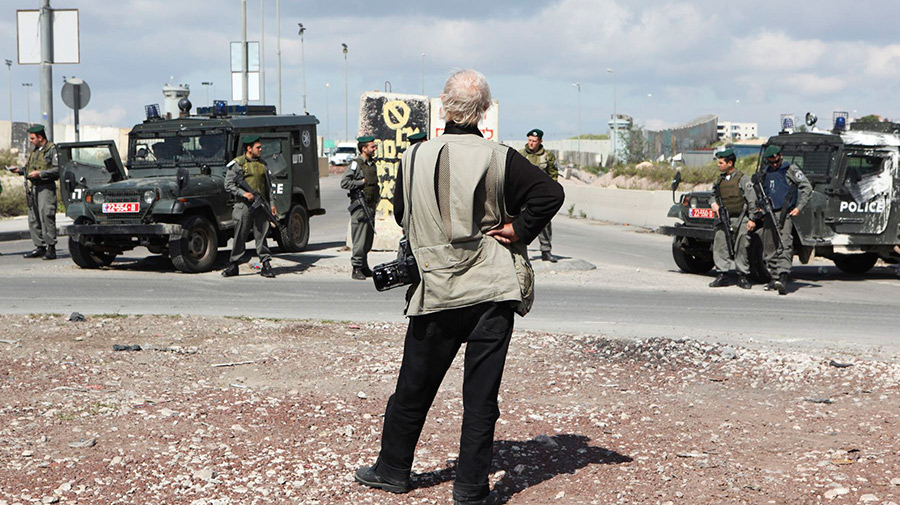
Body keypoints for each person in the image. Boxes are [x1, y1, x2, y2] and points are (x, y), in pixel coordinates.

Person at [354, 69, 565, 505]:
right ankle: (470, 488)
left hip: (436, 288)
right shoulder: (500, 156)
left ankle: (392, 470)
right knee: (481, 397)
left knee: (413, 386)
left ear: (444, 107)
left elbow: (399, 217)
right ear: (483, 110)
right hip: (492, 289)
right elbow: (550, 194)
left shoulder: (413, 157)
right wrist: (517, 228)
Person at [756, 144, 811, 295]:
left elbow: (806, 187)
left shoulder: (790, 169)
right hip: (769, 213)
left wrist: (799, 207)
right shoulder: (766, 172)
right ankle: (774, 277)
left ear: (780, 156)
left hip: (784, 212)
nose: (774, 164)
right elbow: (762, 191)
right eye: (771, 162)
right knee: (769, 247)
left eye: (775, 161)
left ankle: (783, 276)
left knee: (784, 244)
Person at [221, 135, 276, 278]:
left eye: (260, 147)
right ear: (249, 148)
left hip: (261, 205)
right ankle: (234, 264)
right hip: (243, 206)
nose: (261, 150)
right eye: (258, 147)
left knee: (262, 234)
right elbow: (228, 185)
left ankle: (266, 264)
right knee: (240, 235)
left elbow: (269, 188)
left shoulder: (263, 164)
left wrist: (272, 205)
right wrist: (244, 194)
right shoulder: (238, 164)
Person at [708, 148, 756, 289]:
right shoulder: (719, 180)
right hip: (724, 218)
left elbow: (752, 200)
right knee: (720, 245)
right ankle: (722, 274)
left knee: (742, 246)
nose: (719, 165)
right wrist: (714, 204)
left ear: (730, 163)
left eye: (721, 163)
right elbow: (712, 195)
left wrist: (752, 218)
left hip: (741, 218)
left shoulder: (743, 179)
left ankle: (742, 276)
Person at [12, 125, 59, 260]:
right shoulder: (35, 151)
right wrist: (20, 171)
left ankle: (51, 248)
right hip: (34, 188)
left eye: (33, 138)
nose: (31, 140)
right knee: (33, 218)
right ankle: (40, 246)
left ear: (40, 137)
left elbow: (57, 170)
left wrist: (41, 173)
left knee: (46, 216)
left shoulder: (52, 150)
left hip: (46, 187)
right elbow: (30, 168)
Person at [340, 135, 379, 280]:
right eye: (372, 146)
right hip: (359, 207)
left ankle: (363, 265)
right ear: (364, 149)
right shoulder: (356, 164)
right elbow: (344, 183)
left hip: (370, 205)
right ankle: (356, 268)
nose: (374, 149)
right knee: (360, 239)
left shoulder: (371, 164)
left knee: (368, 239)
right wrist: (360, 183)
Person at [519, 128, 559, 262]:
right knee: (521, 221)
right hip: (524, 194)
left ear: (540, 141)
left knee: (544, 223)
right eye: (529, 140)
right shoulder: (520, 155)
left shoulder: (547, 156)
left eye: (534, 141)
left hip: (541, 195)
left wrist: (551, 193)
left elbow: (553, 175)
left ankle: (546, 251)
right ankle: (520, 252)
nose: (531, 143)